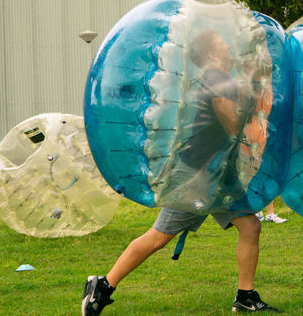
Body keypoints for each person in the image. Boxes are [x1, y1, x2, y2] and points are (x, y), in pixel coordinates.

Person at [82, 30, 279, 315]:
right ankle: (102, 286)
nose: (227, 45)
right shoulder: (216, 81)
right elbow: (234, 127)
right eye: (222, 42)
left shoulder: (217, 80)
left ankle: (245, 296)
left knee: (250, 225)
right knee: (159, 236)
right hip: (196, 176)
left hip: (214, 173)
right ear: (212, 54)